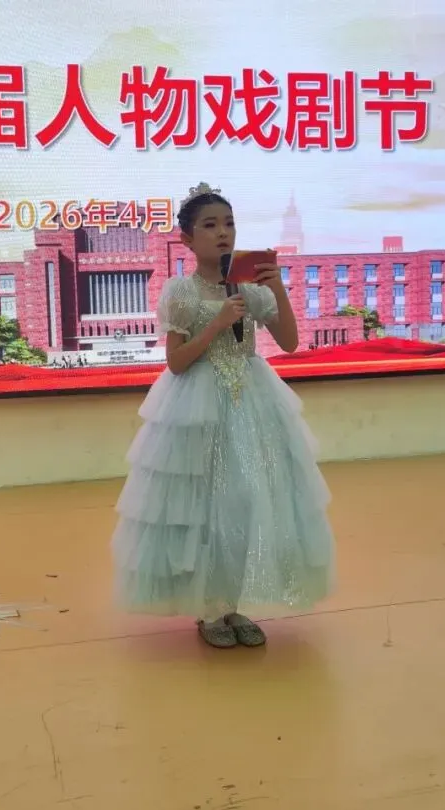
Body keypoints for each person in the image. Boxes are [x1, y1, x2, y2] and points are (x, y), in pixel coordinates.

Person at [111, 183, 335, 648]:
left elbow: (290, 342)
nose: (223, 233)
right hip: (197, 407)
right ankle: (210, 608)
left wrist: (277, 288)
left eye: (229, 224)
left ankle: (234, 604)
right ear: (188, 240)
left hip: (252, 402)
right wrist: (215, 323)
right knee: (206, 506)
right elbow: (176, 362)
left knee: (248, 500)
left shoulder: (251, 288)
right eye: (210, 225)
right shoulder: (181, 292)